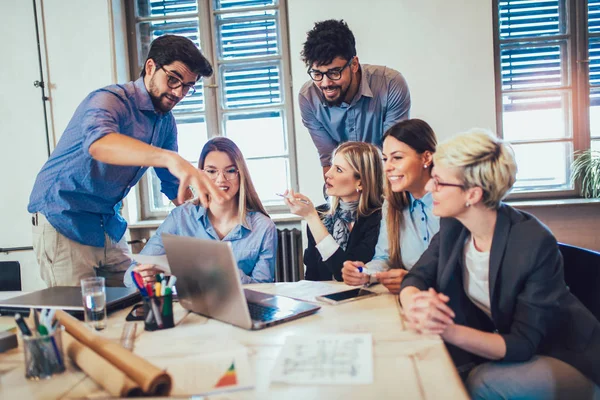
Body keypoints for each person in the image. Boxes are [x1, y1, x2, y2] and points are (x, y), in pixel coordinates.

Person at [399, 130, 600, 399]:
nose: (428, 188)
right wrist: (416, 303)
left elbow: (522, 344)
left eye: (438, 182)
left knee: (481, 382)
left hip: (567, 356)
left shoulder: (533, 242)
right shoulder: (454, 226)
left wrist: (445, 329)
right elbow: (417, 277)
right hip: (506, 346)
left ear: (473, 193)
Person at [28, 35, 226, 288]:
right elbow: (99, 144)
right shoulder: (109, 100)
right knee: (80, 318)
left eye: (188, 86)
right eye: (173, 79)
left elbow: (173, 185)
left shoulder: (165, 122)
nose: (179, 93)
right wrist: (169, 157)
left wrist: (207, 218)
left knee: (134, 299)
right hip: (63, 218)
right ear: (151, 67)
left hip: (108, 226)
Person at [124, 137, 277, 287]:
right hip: (189, 308)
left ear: (241, 174)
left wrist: (225, 272)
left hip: (243, 308)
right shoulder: (181, 217)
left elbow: (264, 289)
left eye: (230, 171)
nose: (221, 179)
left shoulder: (263, 227)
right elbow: (130, 276)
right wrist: (141, 277)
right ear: (201, 175)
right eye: (211, 171)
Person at [299, 19, 411, 180]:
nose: (325, 83)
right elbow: (328, 160)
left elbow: (393, 155)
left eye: (334, 73)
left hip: (387, 184)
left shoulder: (390, 84)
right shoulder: (308, 98)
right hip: (345, 192)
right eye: (317, 74)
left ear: (354, 64)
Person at [341, 119, 439, 294]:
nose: (387, 168)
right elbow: (384, 257)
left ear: (426, 157)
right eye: (386, 159)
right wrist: (365, 273)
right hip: (412, 302)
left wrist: (413, 280)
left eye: (397, 158)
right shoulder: (392, 204)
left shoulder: (451, 201)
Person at [283, 142, 383, 281]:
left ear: (360, 182)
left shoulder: (378, 218)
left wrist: (311, 217)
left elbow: (346, 273)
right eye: (331, 166)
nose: (328, 174)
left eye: (339, 170)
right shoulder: (320, 214)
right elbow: (312, 275)